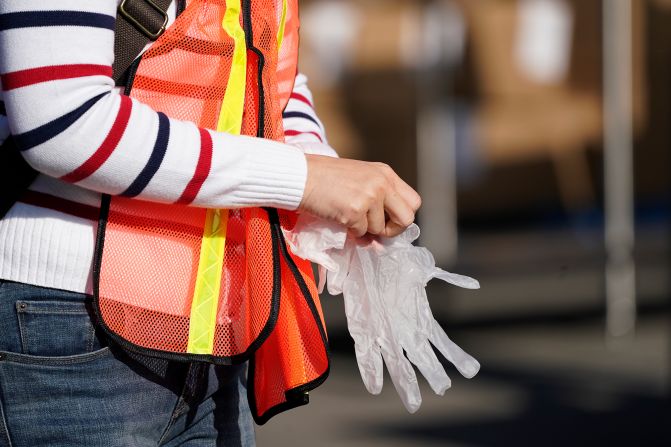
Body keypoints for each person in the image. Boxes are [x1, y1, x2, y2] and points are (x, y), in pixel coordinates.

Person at [0, 0, 421, 445]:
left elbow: (265, 76)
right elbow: (65, 122)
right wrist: (304, 180)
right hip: (70, 320)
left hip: (207, 326)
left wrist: (331, 190)